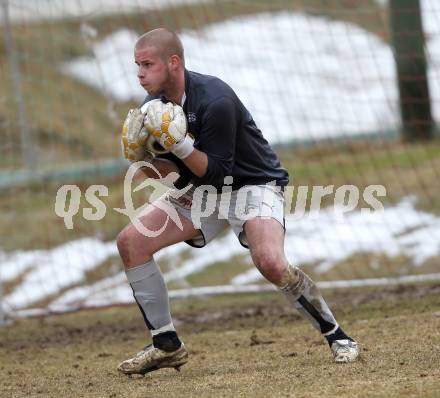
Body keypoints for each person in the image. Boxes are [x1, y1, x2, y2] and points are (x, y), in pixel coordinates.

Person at [116, 28, 359, 376]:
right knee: (131, 242)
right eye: (137, 65)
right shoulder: (153, 109)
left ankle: (338, 336)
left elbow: (216, 172)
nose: (140, 73)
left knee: (270, 262)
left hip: (253, 185)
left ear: (174, 63)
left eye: (148, 64)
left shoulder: (215, 99)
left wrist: (180, 145)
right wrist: (144, 160)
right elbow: (183, 178)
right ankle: (166, 344)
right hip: (205, 191)